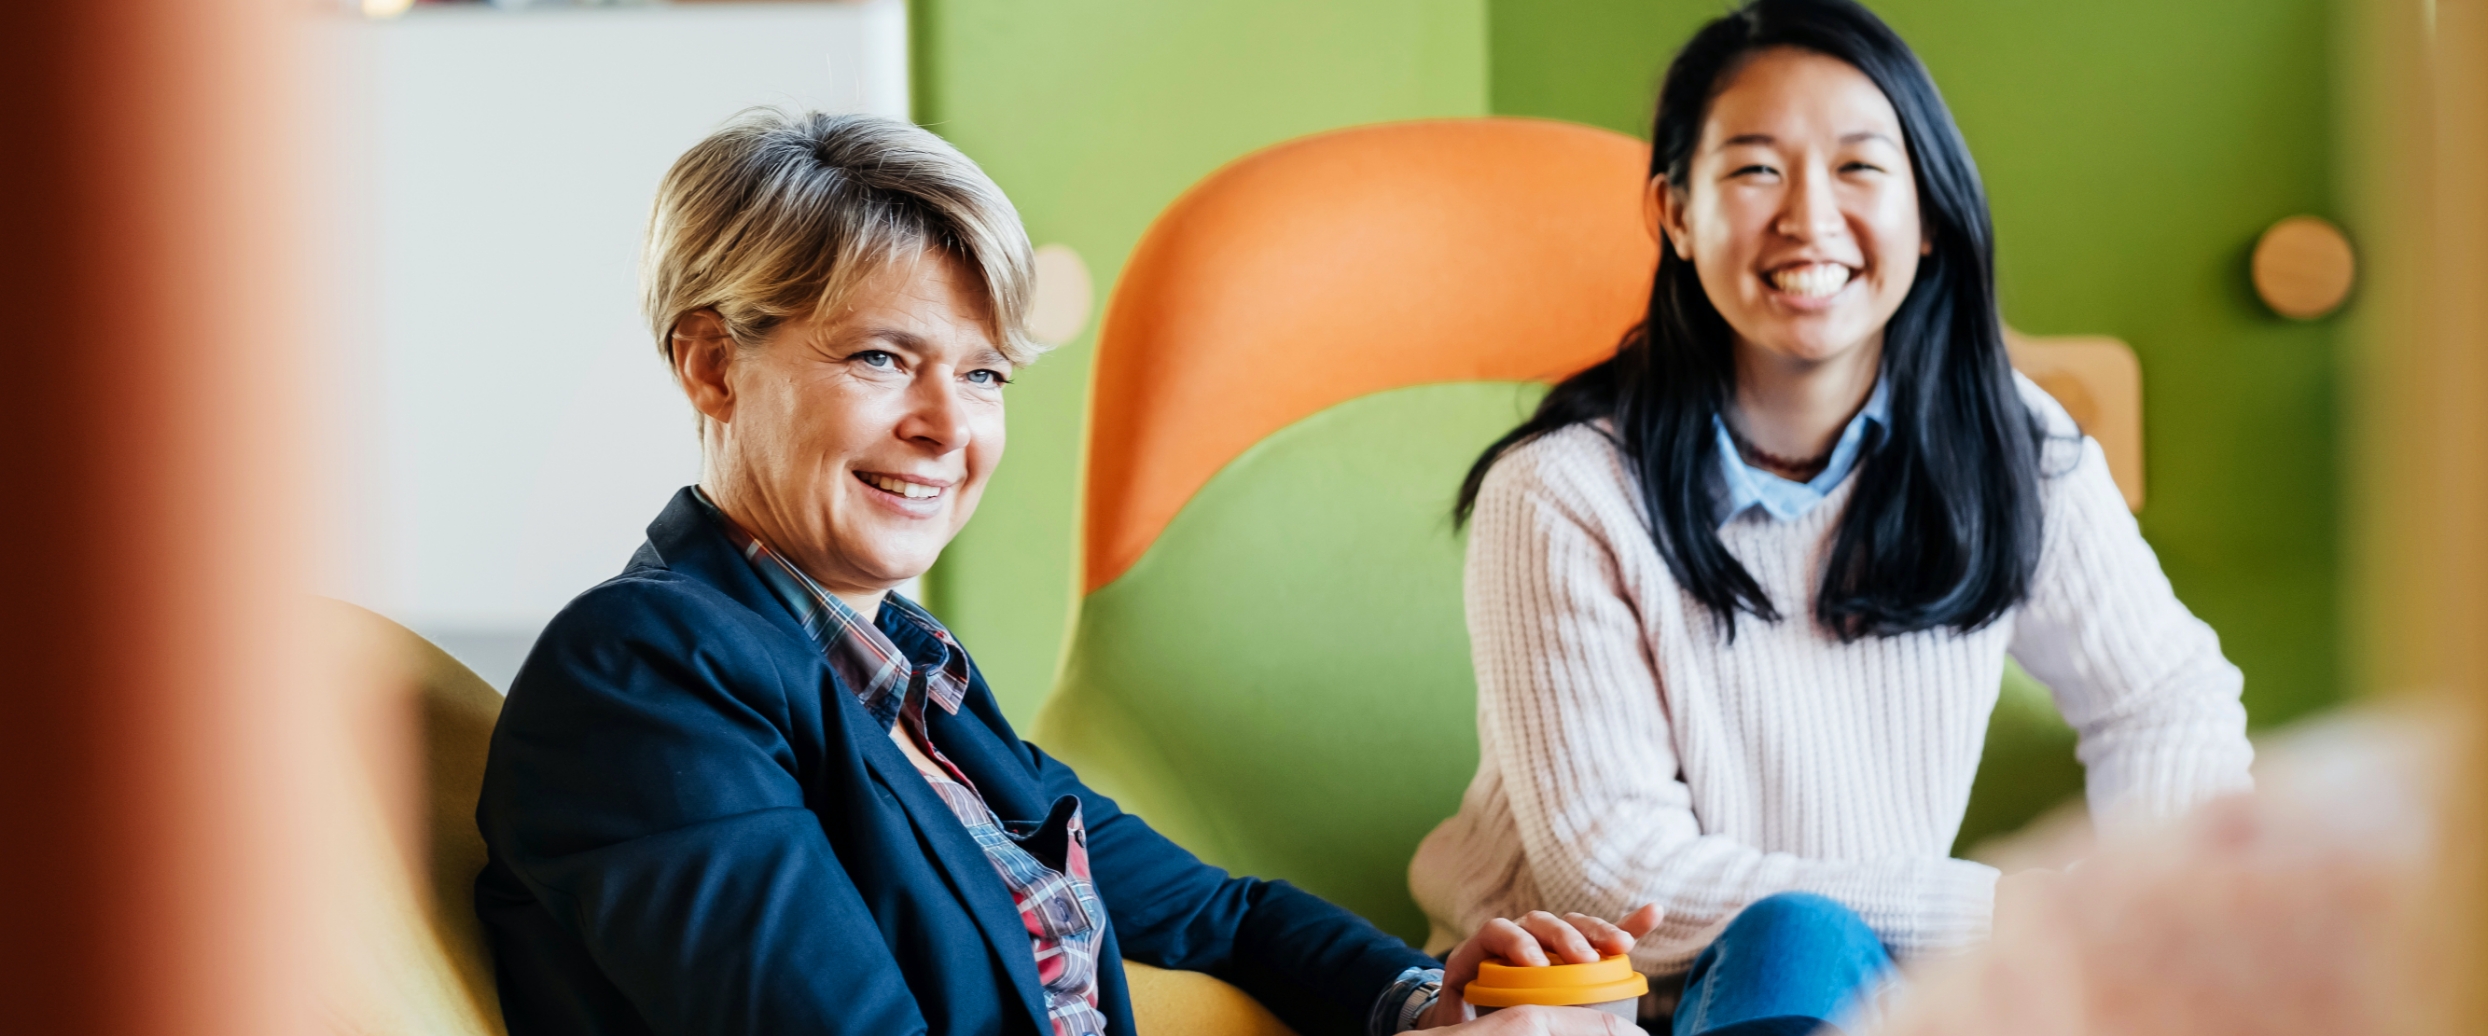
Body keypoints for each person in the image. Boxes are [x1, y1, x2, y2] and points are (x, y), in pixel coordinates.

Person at [472, 109, 1652, 1036]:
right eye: (885, 357)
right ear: (714, 367)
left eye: (985, 376)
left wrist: (1424, 999)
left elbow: (1217, 914)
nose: (950, 426)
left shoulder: (912, 678)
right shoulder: (644, 679)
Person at [1407, 2, 2257, 1033]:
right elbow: (1617, 876)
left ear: (1927, 213)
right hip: (1593, 1002)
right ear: (1676, 213)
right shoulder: (1561, 493)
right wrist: (2018, 908)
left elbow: (2165, 699)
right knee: (1794, 937)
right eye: (1755, 169)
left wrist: (2141, 906)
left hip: (1881, 983)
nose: (1807, 218)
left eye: (1859, 168)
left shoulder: (2010, 444)